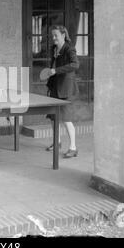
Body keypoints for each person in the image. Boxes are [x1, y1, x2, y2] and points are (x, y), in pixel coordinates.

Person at [43, 25, 80, 158]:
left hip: (66, 88)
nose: (53, 38)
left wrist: (56, 71)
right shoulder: (54, 49)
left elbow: (75, 64)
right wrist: (50, 73)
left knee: (66, 118)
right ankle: (56, 142)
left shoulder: (69, 49)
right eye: (52, 36)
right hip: (55, 86)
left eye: (56, 35)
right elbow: (54, 66)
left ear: (63, 35)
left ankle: (73, 147)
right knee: (53, 117)